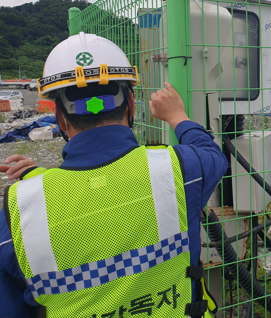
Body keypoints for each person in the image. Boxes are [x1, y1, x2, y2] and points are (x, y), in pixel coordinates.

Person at [0, 32, 227, 318]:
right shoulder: (178, 170)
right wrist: (177, 116)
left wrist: (42, 183)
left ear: (59, 119)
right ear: (131, 106)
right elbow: (213, 155)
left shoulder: (20, 210)